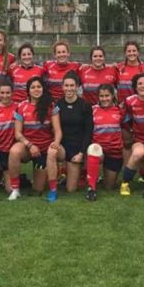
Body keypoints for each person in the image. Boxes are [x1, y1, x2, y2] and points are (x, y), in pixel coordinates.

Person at [7, 77, 61, 200]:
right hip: (29, 147)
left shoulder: (51, 105)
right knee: (14, 151)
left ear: (43, 88)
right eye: (33, 87)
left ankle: (53, 191)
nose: (36, 89)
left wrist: (56, 142)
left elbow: (58, 130)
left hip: (46, 147)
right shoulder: (21, 106)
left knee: (38, 188)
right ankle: (15, 189)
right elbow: (18, 133)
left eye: (39, 87)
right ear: (28, 90)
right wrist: (30, 145)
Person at [46, 72, 93, 202]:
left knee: (71, 189)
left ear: (77, 87)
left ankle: (66, 174)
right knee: (51, 151)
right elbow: (54, 128)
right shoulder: (58, 105)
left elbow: (89, 131)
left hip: (76, 149)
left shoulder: (85, 105)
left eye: (72, 85)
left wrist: (81, 153)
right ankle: (53, 190)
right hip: (63, 147)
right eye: (66, 85)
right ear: (62, 87)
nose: (69, 88)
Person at [85, 84, 125, 201]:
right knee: (94, 148)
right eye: (101, 96)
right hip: (99, 150)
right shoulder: (92, 110)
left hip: (114, 151)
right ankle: (91, 189)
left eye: (107, 95)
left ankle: (98, 176)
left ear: (113, 96)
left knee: (109, 186)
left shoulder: (119, 111)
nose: (104, 98)